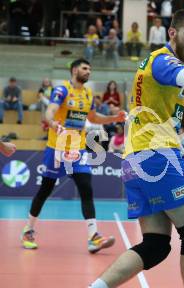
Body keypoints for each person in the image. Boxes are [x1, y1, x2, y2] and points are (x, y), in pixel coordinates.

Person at [89, 9, 184, 288]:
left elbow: (161, 123)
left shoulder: (158, 68)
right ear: (172, 33)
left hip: (136, 159)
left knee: (156, 245)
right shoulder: (163, 61)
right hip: (157, 157)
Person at [21, 59, 126, 252]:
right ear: (74, 70)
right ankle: (28, 230)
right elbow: (49, 113)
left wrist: (114, 118)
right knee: (46, 189)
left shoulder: (88, 93)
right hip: (57, 148)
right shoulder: (62, 91)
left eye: (90, 69)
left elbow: (93, 118)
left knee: (86, 187)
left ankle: (94, 236)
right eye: (85, 68)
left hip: (78, 150)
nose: (89, 71)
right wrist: (53, 124)